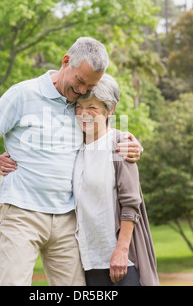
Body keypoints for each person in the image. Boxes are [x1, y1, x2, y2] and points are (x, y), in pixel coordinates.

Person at [0, 37, 143, 286]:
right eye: (80, 81)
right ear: (66, 61)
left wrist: (130, 143)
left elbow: (101, 135)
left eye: (89, 87)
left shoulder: (79, 105)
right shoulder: (22, 94)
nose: (82, 91)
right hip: (21, 214)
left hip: (67, 220)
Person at [73, 74, 159, 286]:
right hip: (90, 261)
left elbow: (131, 204)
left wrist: (121, 251)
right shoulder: (73, 147)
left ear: (109, 110)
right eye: (79, 107)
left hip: (122, 262)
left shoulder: (120, 144)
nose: (84, 114)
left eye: (92, 108)